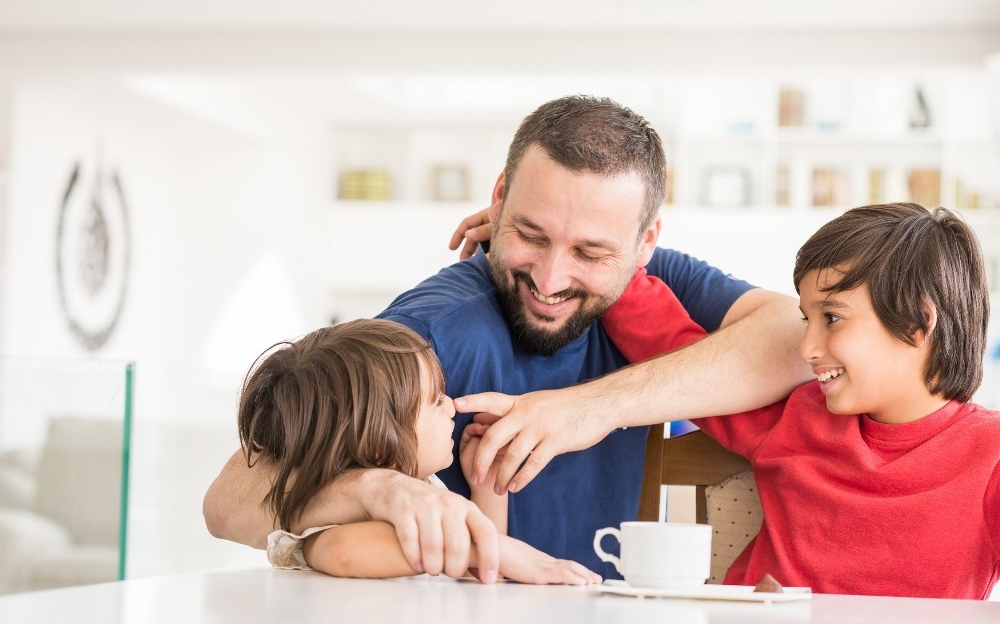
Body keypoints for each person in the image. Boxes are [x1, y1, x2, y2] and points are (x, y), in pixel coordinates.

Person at [204, 95, 811, 579]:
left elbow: (795, 339)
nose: (550, 278)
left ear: (644, 242)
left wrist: (587, 409)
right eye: (531, 233)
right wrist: (374, 486)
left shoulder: (653, 281)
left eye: (590, 251)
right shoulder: (434, 330)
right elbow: (228, 504)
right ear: (498, 199)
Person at [599, 203, 999, 599]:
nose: (806, 349)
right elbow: (674, 350)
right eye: (808, 320)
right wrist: (605, 259)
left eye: (832, 318)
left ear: (915, 324)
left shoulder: (991, 454)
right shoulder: (798, 416)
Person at [240, 318, 600, 585]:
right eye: (435, 400)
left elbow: (482, 572)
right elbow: (340, 551)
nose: (451, 406)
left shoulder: (425, 490)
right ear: (378, 438)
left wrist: (486, 487)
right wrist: (501, 552)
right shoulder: (341, 513)